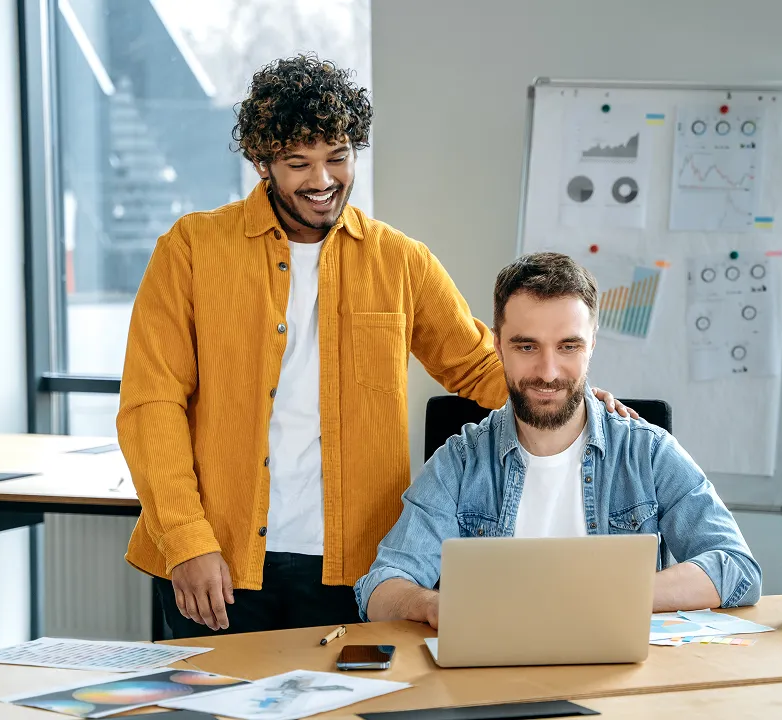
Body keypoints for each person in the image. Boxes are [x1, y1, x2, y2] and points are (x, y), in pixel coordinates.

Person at [118, 54, 633, 639]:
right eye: (298, 163)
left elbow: (476, 365)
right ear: (261, 161)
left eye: (338, 157)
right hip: (218, 562)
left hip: (353, 568)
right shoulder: (190, 250)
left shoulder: (398, 261)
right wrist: (185, 540)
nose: (322, 180)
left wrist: (580, 401)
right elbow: (149, 405)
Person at [356, 252, 762, 626]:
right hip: (492, 680)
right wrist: (434, 605)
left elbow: (736, 568)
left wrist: (609, 596)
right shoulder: (460, 462)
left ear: (592, 344)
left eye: (568, 346)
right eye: (527, 346)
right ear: (498, 345)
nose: (548, 372)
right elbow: (380, 588)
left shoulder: (647, 452)